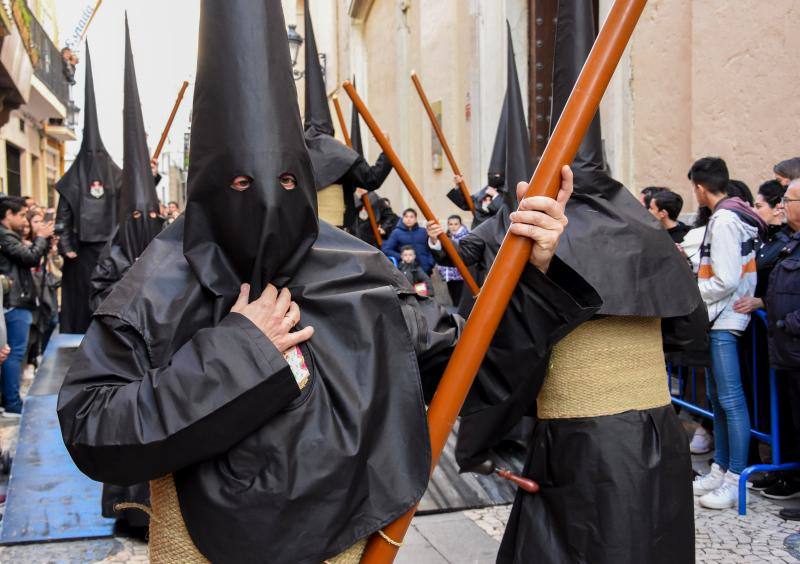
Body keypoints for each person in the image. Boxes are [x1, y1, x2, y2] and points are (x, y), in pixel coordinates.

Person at [56, 3, 597, 562]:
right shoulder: (160, 285)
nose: (266, 200)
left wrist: (530, 274)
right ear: (210, 182)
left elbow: (473, 371)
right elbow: (92, 427)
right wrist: (240, 350)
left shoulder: (356, 272)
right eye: (241, 181)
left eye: (287, 180)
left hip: (346, 538)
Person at [690, 157, 766, 510]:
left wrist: (694, 293)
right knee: (721, 400)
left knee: (730, 400)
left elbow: (726, 279)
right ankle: (722, 469)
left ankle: (736, 477)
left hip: (723, 318)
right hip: (725, 317)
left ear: (700, 189)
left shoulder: (723, 220)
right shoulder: (736, 215)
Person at [90, 21, 166, 314]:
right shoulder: (112, 259)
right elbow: (100, 299)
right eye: (137, 216)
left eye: (151, 216)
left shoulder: (169, 253)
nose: (145, 221)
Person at [302, 4, 392, 228]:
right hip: (339, 233)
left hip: (305, 234)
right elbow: (371, 179)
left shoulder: (294, 154)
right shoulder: (336, 152)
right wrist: (386, 150)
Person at [55, 43, 122, 334]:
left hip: (109, 248)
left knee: (108, 293)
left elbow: (132, 196)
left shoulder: (115, 175)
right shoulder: (73, 180)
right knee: (83, 295)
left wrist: (152, 177)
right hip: (81, 251)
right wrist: (67, 246)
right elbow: (63, 216)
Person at [764, 178, 800, 518]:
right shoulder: (790, 242)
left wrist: (787, 324)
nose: (781, 206)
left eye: (787, 200)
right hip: (789, 351)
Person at [0, 196, 53, 416]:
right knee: (14, 352)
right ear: (8, 215)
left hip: (17, 299)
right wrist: (40, 238)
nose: (24, 220)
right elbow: (29, 258)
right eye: (21, 215)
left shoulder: (9, 236)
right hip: (13, 301)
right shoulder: (5, 237)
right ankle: (12, 403)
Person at [382, 208, 435, 273]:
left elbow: (431, 248)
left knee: (426, 283)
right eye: (406, 216)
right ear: (403, 219)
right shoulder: (396, 233)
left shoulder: (423, 231)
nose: (408, 219)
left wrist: (430, 263)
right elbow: (386, 249)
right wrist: (402, 257)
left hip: (425, 268)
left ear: (415, 219)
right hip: (406, 269)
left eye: (411, 217)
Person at [436, 215, 469, 305]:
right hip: (449, 273)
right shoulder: (446, 236)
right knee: (454, 298)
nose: (453, 226)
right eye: (450, 224)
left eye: (456, 224)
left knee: (461, 300)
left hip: (461, 273)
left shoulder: (466, 237)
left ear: (460, 224)